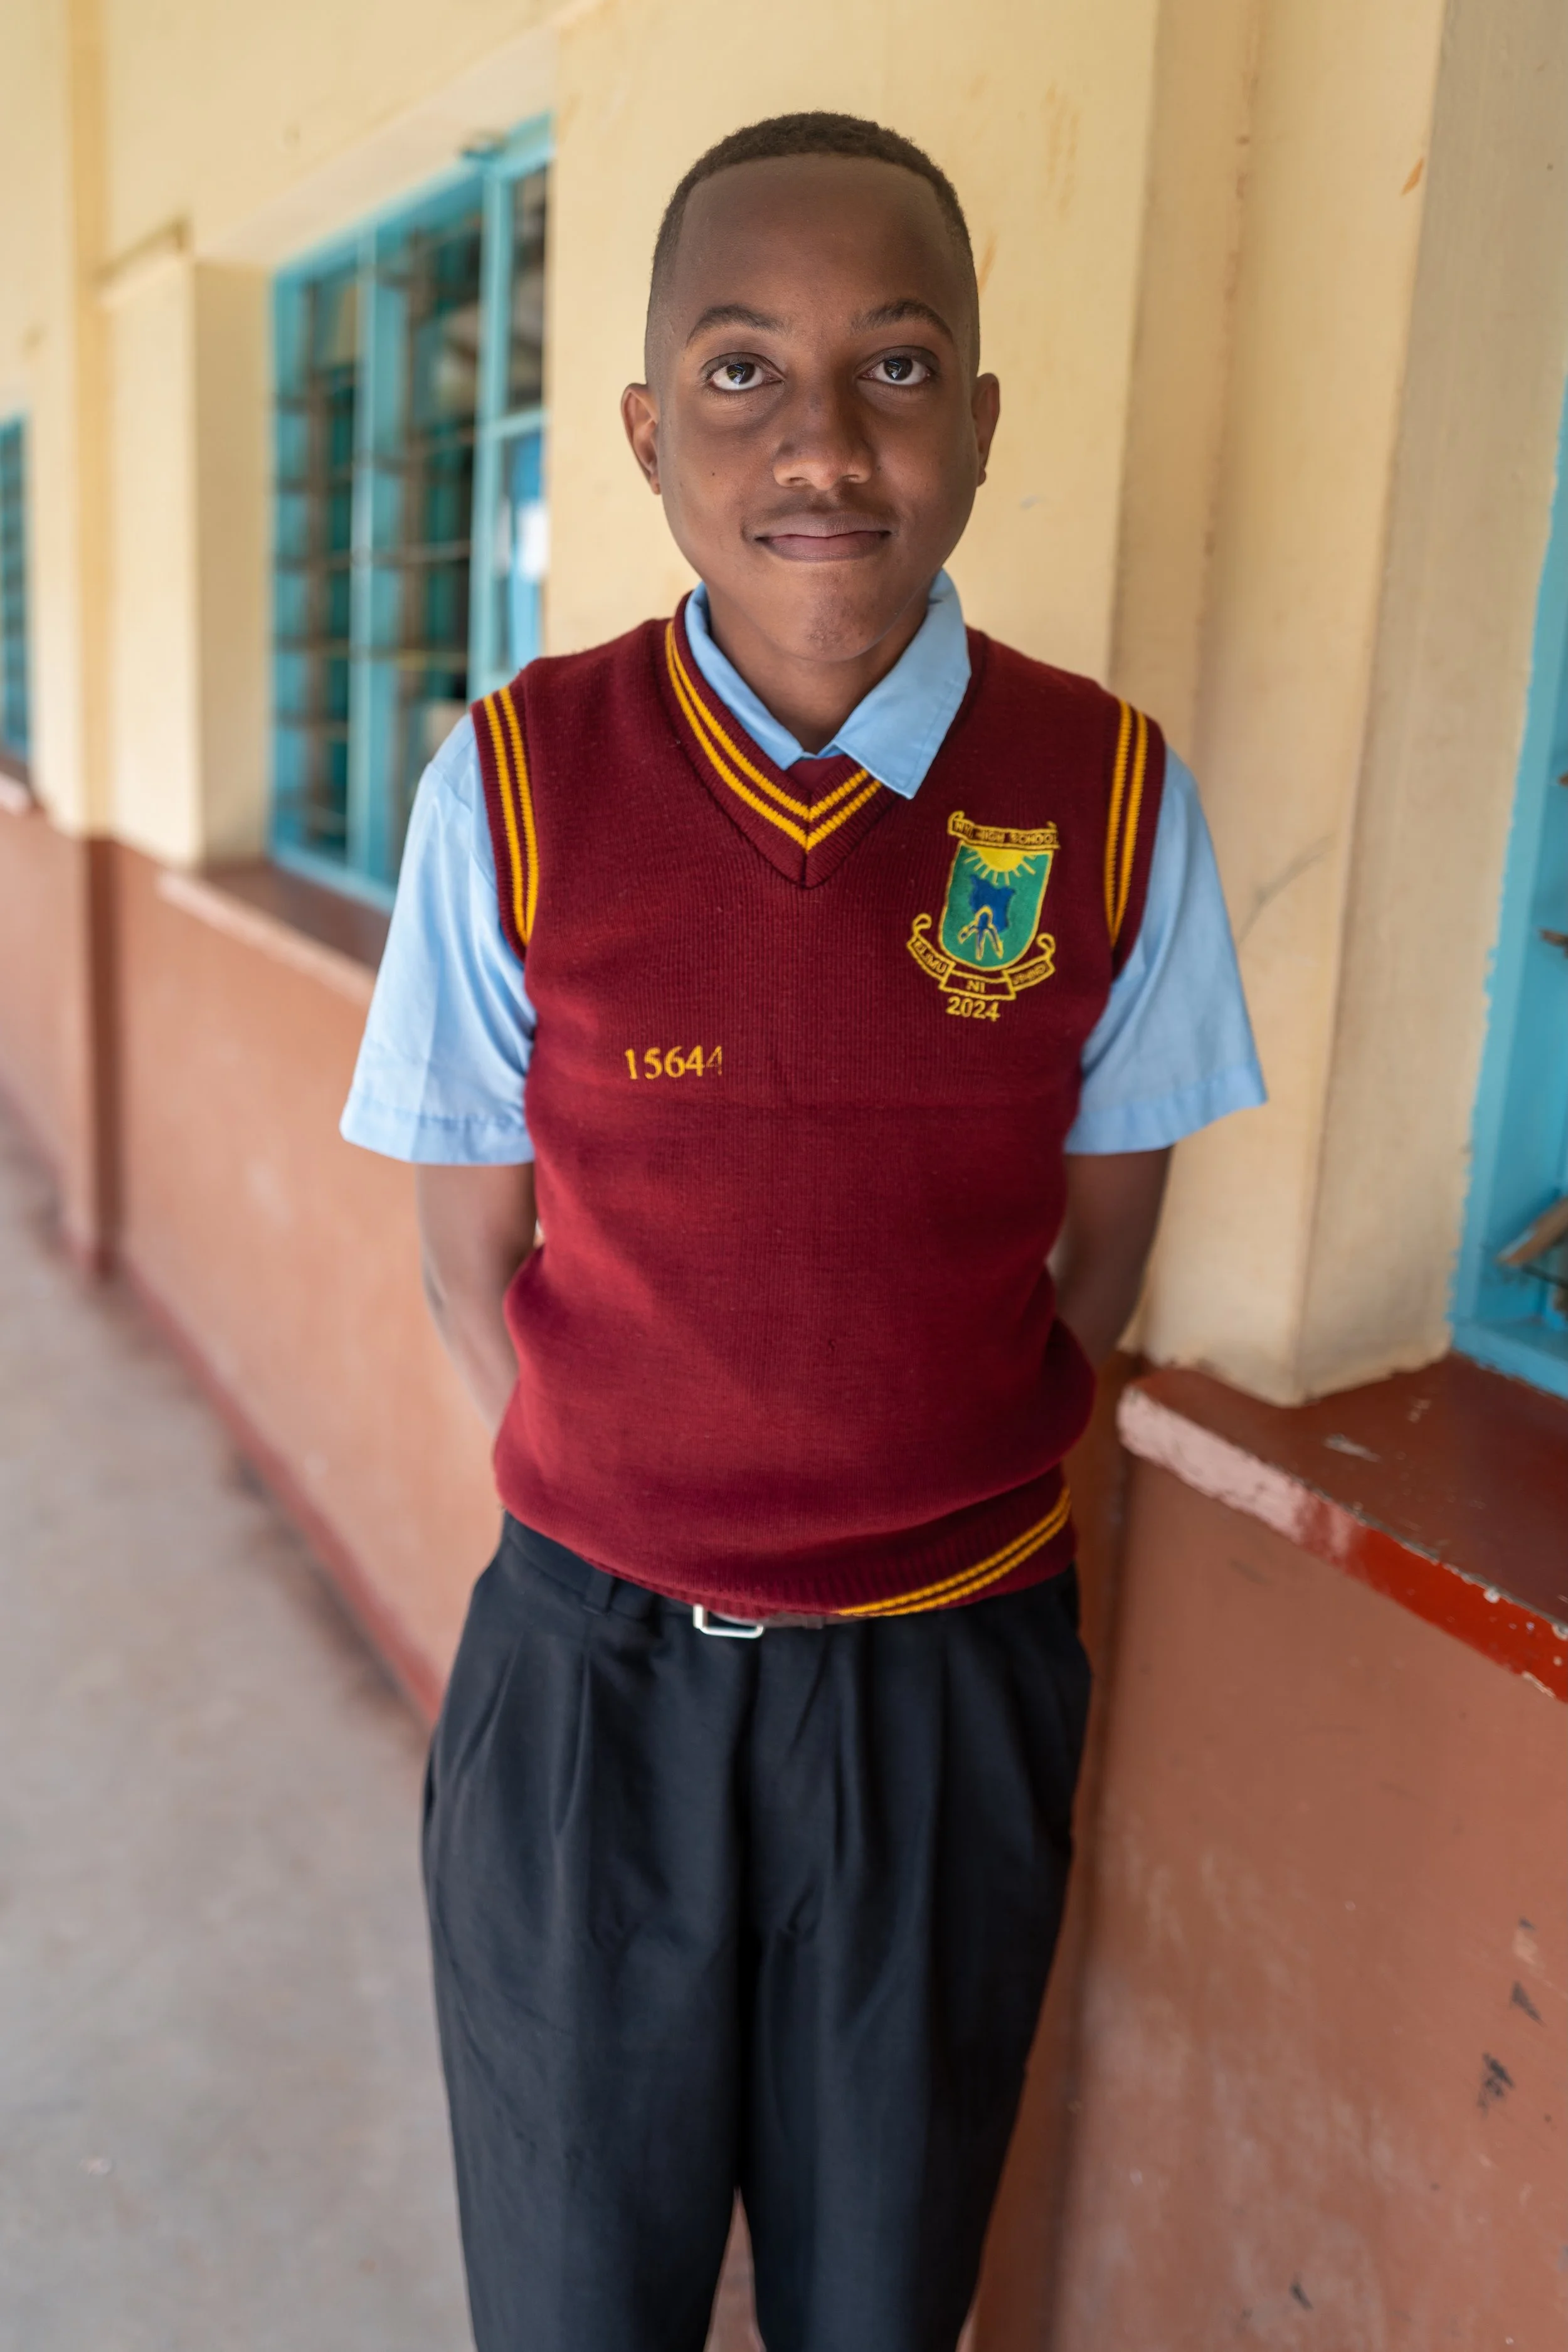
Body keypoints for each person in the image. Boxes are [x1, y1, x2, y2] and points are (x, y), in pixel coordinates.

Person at [342, 110, 1264, 2352]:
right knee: (576, 2297)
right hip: (590, 1699)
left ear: (976, 420)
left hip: (944, 1691)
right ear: (651, 432)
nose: (823, 442)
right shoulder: (520, 783)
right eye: (742, 372)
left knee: (884, 2295)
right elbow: (472, 1265)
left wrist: (873, 1529)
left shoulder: (1109, 798)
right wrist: (649, 1526)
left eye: (899, 364)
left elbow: (1096, 1264)